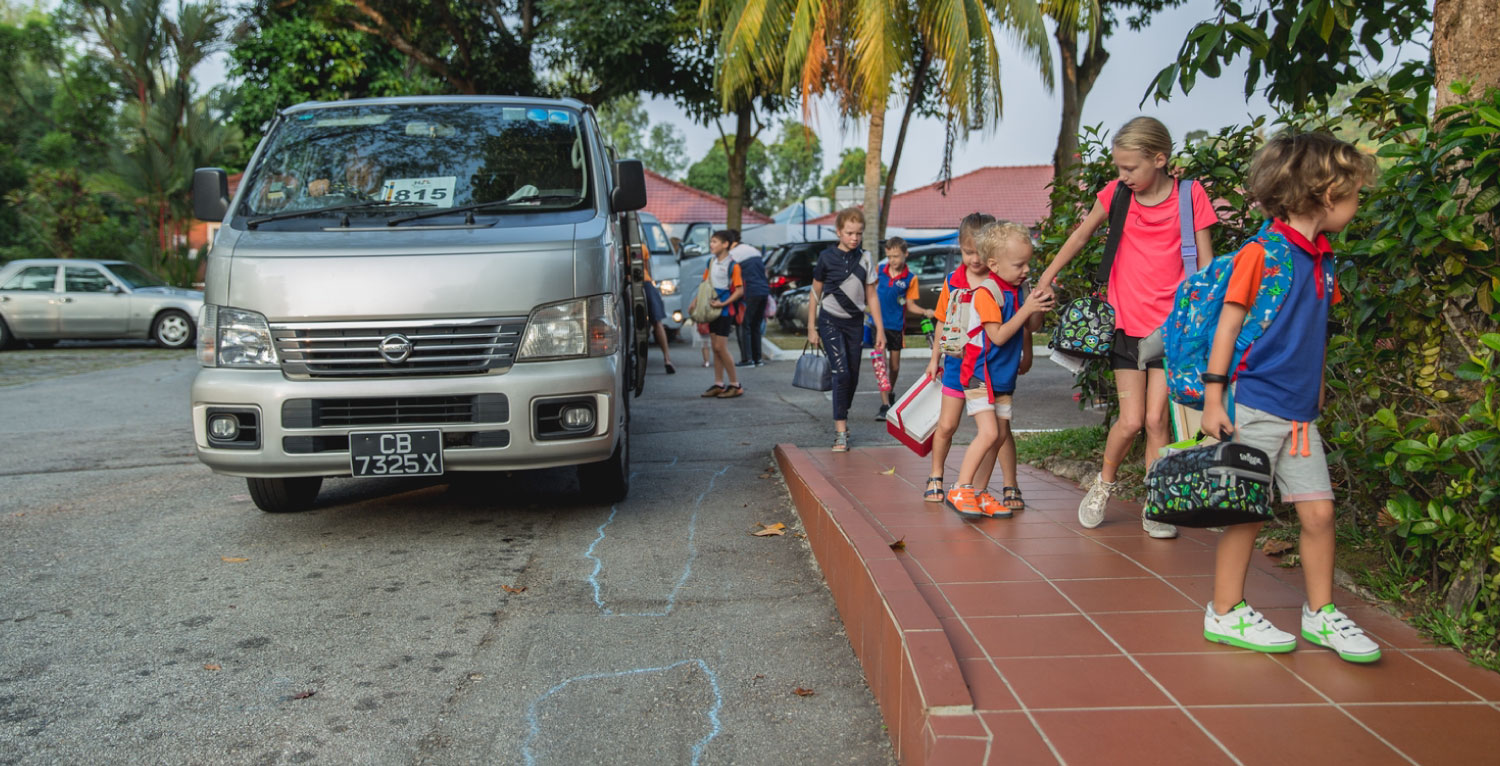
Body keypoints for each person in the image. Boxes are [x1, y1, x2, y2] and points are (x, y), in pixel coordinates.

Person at [1198, 132, 1380, 661]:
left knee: (1319, 515)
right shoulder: (1264, 253)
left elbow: (1315, 330)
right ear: (1326, 193)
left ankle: (1321, 615)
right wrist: (1214, 400)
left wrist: (1316, 392)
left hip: (1301, 417)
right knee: (1247, 513)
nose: (1357, 203)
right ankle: (1225, 612)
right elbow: (1228, 327)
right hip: (1254, 404)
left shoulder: (1323, 258)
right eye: (1354, 193)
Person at [1031, 116, 1219, 539]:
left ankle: (1156, 503)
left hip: (1173, 329)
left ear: (1160, 159)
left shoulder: (1191, 196)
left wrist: (1209, 320)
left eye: (1130, 168)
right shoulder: (1117, 194)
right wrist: (1047, 277)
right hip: (1126, 326)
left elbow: (1206, 266)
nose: (1122, 175)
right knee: (1131, 420)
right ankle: (1104, 482)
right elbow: (1080, 236)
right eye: (1118, 167)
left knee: (1157, 421)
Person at [925, 221, 1053, 518]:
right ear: (995, 264)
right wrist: (1026, 309)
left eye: (1027, 265)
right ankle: (961, 487)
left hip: (1002, 377)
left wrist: (1038, 307)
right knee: (989, 432)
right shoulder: (987, 292)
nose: (1025, 271)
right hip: (978, 373)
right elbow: (997, 335)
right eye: (1019, 265)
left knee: (997, 436)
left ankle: (980, 494)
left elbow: (1030, 326)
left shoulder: (1017, 288)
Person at [921, 213, 994, 502]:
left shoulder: (997, 281)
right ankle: (935, 475)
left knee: (988, 431)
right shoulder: (953, 280)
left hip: (983, 367)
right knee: (947, 425)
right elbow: (941, 321)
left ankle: (977, 487)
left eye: (981, 252)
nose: (975, 259)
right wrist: (934, 358)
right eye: (967, 252)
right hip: (955, 363)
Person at [807, 208, 885, 452]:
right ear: (839, 232)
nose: (854, 238)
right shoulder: (826, 258)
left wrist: (880, 330)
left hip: (855, 323)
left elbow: (872, 295)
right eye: (850, 233)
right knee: (840, 372)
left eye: (859, 234)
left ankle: (843, 412)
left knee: (852, 375)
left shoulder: (865, 259)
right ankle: (840, 431)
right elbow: (814, 292)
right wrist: (811, 326)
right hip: (830, 320)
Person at [874, 237, 936, 421]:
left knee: (894, 366)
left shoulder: (910, 278)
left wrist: (926, 311)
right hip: (878, 326)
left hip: (895, 327)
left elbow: (910, 305)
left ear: (905, 254)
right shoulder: (879, 272)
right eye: (889, 256)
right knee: (881, 365)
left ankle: (890, 392)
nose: (893, 260)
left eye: (897, 256)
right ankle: (884, 404)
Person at [690, 230, 745, 398]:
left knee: (721, 347)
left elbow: (739, 290)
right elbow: (705, 284)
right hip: (711, 310)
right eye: (711, 241)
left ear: (725, 244)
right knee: (715, 348)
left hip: (724, 311)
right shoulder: (711, 262)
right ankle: (719, 384)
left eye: (714, 241)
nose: (711, 245)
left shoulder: (733, 265)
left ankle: (735, 385)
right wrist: (695, 302)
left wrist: (723, 303)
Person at [728, 231, 771, 367]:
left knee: (744, 325)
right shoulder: (754, 250)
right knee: (756, 326)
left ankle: (747, 359)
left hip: (749, 293)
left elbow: (731, 277)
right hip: (763, 291)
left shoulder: (733, 255)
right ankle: (757, 359)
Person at [640, 242, 676, 374]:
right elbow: (647, 269)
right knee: (657, 322)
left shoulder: (620, 246)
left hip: (630, 285)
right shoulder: (642, 246)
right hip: (646, 283)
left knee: (640, 325)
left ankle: (640, 361)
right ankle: (667, 359)